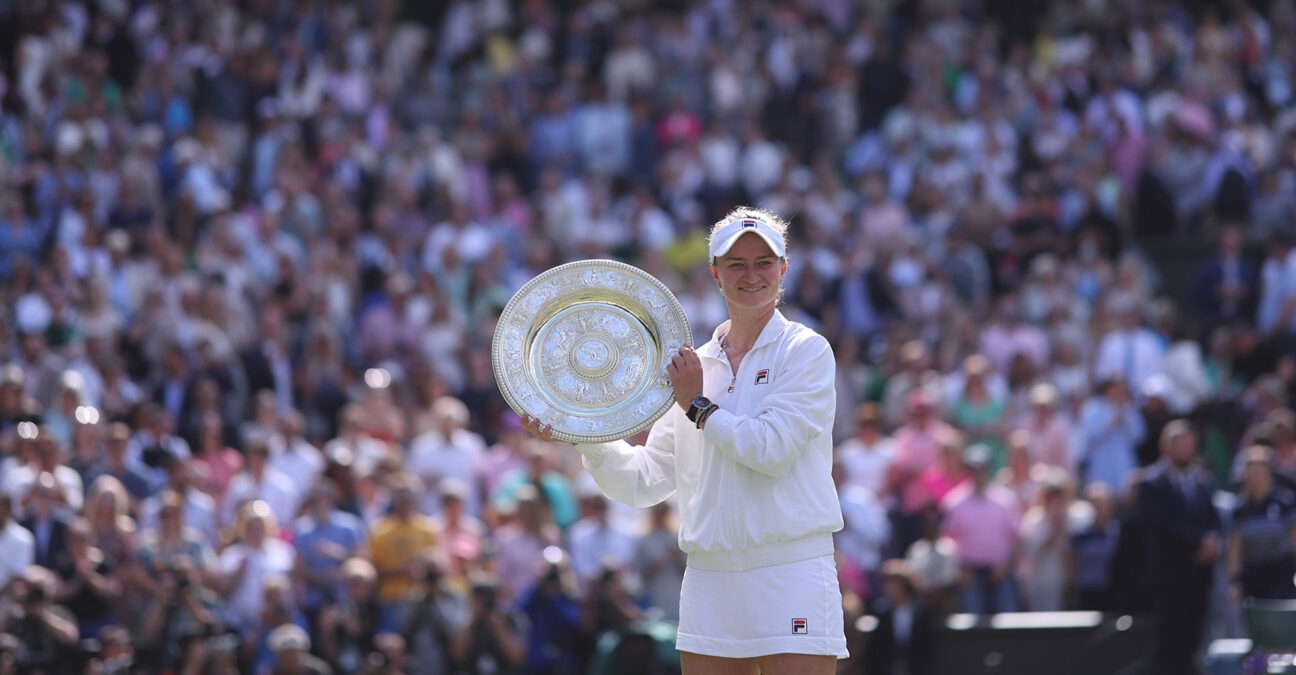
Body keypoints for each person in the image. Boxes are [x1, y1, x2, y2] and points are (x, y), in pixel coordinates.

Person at [523, 206, 847, 673]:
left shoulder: (806, 351)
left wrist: (698, 407)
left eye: (764, 262)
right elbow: (643, 481)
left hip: (790, 570)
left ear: (784, 270)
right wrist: (581, 431)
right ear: (716, 274)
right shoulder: (692, 366)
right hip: (709, 577)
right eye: (736, 264)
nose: (751, 275)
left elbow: (771, 451)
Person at [1137, 420, 1221, 675]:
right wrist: (1199, 542)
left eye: (1190, 444)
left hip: (1198, 577)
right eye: (1181, 444)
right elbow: (1162, 524)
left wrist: (1212, 541)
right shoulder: (1152, 483)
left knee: (1191, 643)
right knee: (1168, 645)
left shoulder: (1202, 480)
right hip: (1169, 579)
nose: (1188, 450)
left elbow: (1212, 519)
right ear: (1166, 448)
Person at [1227, 446, 1296, 601]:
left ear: (1269, 472)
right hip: (1253, 575)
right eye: (1251, 470)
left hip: (1283, 573)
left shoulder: (1285, 502)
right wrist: (1234, 582)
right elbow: (1234, 550)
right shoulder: (1240, 509)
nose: (1256, 475)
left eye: (1260, 470)